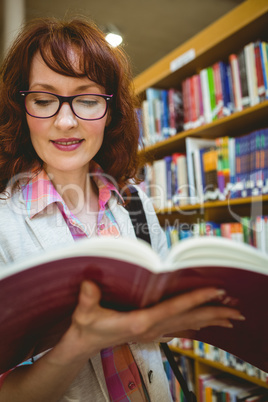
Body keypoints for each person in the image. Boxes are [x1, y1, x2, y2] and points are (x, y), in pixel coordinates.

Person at [0, 17, 245, 402]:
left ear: (111, 111)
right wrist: (78, 343)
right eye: (45, 100)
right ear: (21, 107)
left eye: (87, 99)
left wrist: (177, 314)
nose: (66, 121)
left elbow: (158, 326)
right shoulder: (4, 224)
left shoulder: (133, 202)